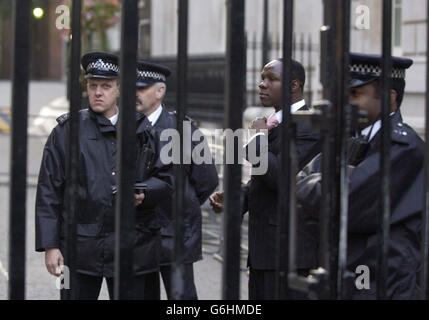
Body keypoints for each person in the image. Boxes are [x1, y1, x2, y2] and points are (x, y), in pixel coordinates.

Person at [35, 52, 173, 300]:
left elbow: (167, 179)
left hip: (133, 247)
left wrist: (145, 192)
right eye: (92, 85)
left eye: (106, 86)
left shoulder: (144, 130)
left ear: (119, 89)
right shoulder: (67, 131)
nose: (98, 92)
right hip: (80, 248)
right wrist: (51, 245)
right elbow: (49, 189)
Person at [296, 53, 423, 299]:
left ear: (389, 98)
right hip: (345, 276)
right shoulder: (352, 138)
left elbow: (348, 204)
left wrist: (323, 190)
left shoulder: (404, 147)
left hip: (383, 285)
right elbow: (300, 187)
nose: (346, 102)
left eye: (355, 95)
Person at [210, 59, 321, 299]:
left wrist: (258, 139)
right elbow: (262, 182)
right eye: (262, 78)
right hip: (263, 252)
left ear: (294, 85)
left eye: (271, 79)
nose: (262, 84)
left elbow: (284, 179)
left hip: (290, 253)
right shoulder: (276, 123)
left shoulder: (308, 125)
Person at [135, 60, 219, 299]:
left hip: (175, 231)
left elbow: (207, 178)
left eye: (141, 88)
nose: (135, 94)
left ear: (160, 91)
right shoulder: (126, 126)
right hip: (139, 233)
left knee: (181, 299)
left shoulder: (183, 128)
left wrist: (183, 198)